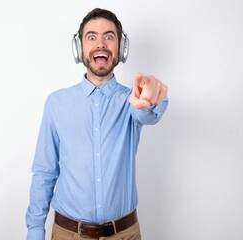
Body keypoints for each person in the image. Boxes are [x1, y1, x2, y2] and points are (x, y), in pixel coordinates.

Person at [26, 8, 169, 240]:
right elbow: (44, 172)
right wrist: (34, 231)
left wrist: (150, 101)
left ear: (121, 49)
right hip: (67, 234)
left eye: (109, 36)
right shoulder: (56, 103)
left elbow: (148, 114)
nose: (100, 43)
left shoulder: (131, 100)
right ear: (79, 48)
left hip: (124, 234)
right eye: (91, 37)